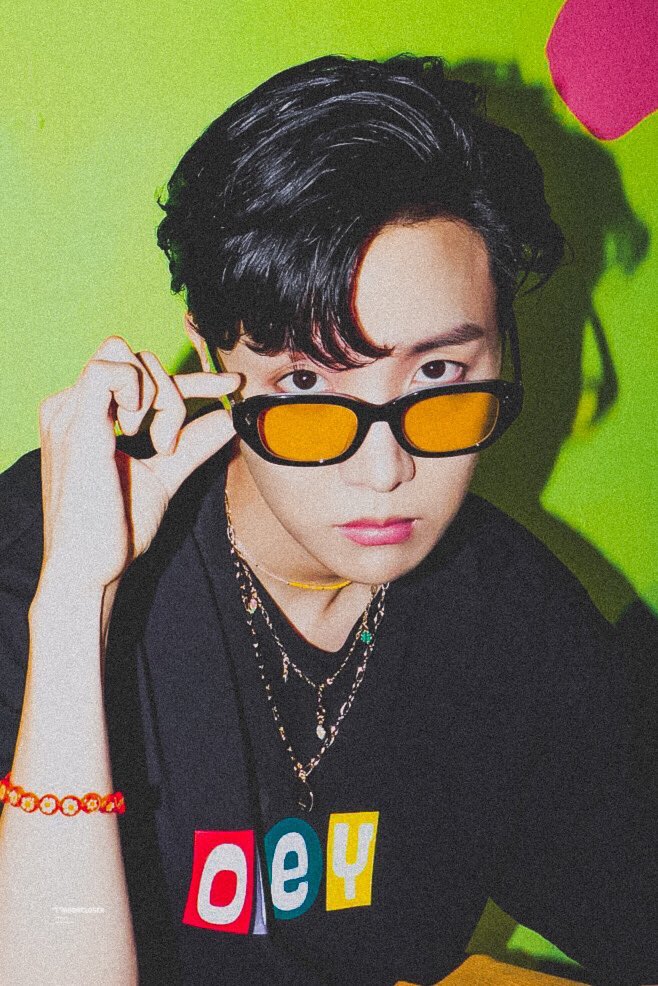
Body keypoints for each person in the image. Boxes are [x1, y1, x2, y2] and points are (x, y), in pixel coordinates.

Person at [0, 54, 655, 986]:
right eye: (308, 382)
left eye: (438, 374)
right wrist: (75, 610)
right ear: (211, 355)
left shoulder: (514, 625)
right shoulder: (42, 563)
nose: (386, 470)